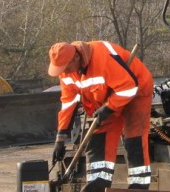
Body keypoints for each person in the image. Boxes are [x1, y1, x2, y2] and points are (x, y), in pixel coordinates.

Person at [48, 41, 154, 191]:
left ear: (76, 58)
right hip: (107, 97)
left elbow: (129, 87)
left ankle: (139, 185)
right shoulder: (66, 73)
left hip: (136, 90)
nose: (64, 72)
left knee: (133, 137)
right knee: (99, 137)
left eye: (66, 68)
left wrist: (109, 108)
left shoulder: (102, 58)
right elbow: (68, 103)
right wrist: (60, 138)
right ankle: (98, 183)